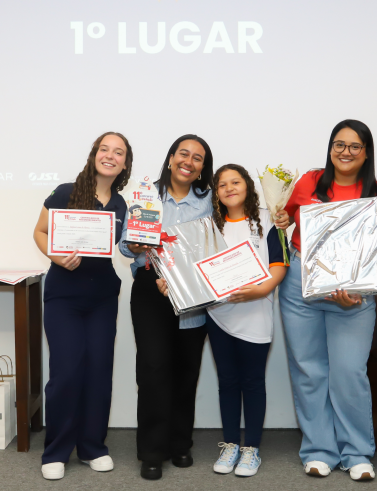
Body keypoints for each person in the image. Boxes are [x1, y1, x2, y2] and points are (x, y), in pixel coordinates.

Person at [273, 120, 377, 481]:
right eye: (338, 144)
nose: (345, 152)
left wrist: (356, 290)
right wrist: (282, 217)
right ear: (330, 149)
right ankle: (318, 450)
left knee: (348, 374)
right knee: (309, 370)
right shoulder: (310, 182)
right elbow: (290, 220)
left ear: (366, 152)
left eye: (354, 146)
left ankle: (357, 452)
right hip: (301, 287)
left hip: (353, 297)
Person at [163, 164, 287, 477]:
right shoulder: (209, 227)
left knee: (253, 382)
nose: (229, 188)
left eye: (236, 182)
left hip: (256, 314)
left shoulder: (270, 220)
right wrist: (172, 280)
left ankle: (252, 448)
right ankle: (231, 443)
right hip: (219, 317)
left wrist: (260, 291)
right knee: (228, 382)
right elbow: (191, 267)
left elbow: (279, 264)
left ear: (248, 186)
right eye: (222, 185)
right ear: (216, 193)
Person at [31, 132, 132, 480]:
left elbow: (123, 248)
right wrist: (57, 257)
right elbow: (40, 232)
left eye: (118, 152)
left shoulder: (121, 205)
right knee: (66, 372)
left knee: (99, 372)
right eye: (105, 149)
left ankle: (92, 447)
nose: (110, 156)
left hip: (103, 297)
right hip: (64, 296)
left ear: (124, 163)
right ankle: (56, 451)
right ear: (93, 155)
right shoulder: (65, 192)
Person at [119, 134, 215, 480]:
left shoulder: (209, 200)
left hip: (193, 292)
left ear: (204, 167)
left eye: (198, 158)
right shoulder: (147, 195)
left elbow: (215, 246)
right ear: (171, 157)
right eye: (183, 154)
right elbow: (127, 247)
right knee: (154, 368)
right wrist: (135, 241)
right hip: (150, 288)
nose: (189, 161)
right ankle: (152, 450)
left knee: (186, 370)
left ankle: (180, 444)